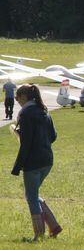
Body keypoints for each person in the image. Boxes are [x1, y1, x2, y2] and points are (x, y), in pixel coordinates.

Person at [11, 84, 61, 241]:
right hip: (47, 159)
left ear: (24, 97)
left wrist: (17, 167)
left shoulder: (25, 114)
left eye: (17, 97)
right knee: (34, 194)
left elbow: (26, 144)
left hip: (32, 161)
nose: (16, 100)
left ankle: (38, 234)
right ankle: (54, 227)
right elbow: (53, 136)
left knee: (31, 197)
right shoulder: (44, 111)